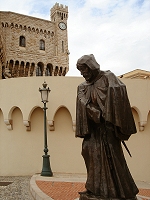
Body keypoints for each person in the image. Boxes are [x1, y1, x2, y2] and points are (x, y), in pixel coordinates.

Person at [75, 54, 139, 199]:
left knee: (113, 160)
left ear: (92, 66)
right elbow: (82, 103)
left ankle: (123, 192)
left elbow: (119, 92)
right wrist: (90, 108)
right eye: (80, 72)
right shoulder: (82, 87)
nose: (83, 74)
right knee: (87, 151)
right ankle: (93, 188)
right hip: (93, 131)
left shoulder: (108, 77)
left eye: (84, 70)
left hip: (108, 129)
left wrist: (109, 114)